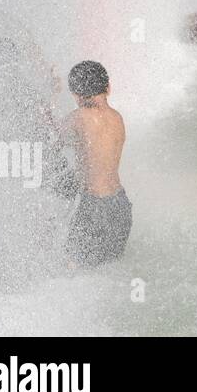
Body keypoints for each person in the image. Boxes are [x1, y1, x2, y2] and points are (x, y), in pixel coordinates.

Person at [61, 61, 132, 268]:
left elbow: (53, 139)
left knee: (73, 266)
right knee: (110, 265)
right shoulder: (117, 118)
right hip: (120, 205)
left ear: (75, 94)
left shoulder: (78, 118)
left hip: (94, 205)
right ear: (108, 87)